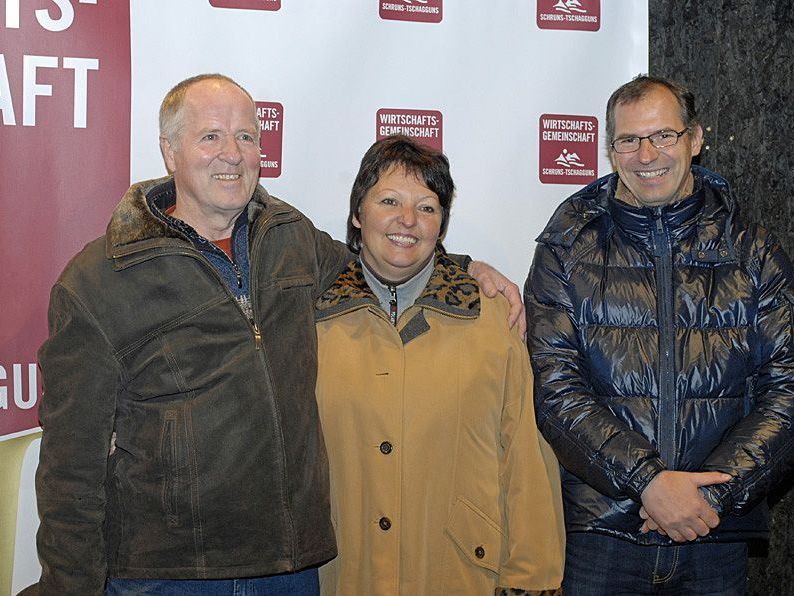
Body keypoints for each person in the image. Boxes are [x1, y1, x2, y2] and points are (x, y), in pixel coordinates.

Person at [35, 74, 522, 595]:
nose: (232, 154)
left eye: (246, 136)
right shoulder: (98, 280)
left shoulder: (289, 235)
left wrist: (462, 267)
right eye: (211, 137)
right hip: (169, 574)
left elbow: (382, 262)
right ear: (169, 151)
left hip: (291, 568)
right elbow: (70, 471)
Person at [525, 74, 794, 595]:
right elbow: (553, 387)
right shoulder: (567, 244)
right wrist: (646, 482)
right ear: (610, 150)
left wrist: (709, 497)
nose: (646, 154)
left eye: (663, 136)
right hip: (602, 534)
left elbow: (787, 386)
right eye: (629, 140)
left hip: (713, 536)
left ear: (695, 139)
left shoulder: (753, 249)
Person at [315, 135, 565, 595]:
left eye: (427, 207)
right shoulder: (312, 322)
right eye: (388, 200)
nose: (407, 220)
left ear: (442, 224)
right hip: (344, 575)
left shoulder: (490, 319)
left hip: (461, 575)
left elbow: (523, 460)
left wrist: (533, 579)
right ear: (358, 213)